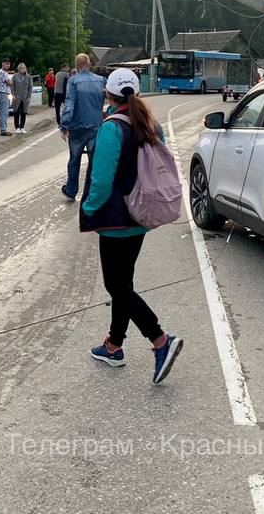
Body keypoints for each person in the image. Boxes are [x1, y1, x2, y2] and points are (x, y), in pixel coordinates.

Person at [82, 68, 183, 385]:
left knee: (118, 286)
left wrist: (88, 209)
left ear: (108, 95)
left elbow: (101, 179)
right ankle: (113, 346)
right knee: (122, 283)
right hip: (141, 216)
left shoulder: (112, 127)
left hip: (116, 219)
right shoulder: (149, 123)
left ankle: (160, 340)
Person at [59, 54, 105, 200]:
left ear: (77, 65)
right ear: (89, 64)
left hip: (77, 126)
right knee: (95, 160)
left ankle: (71, 191)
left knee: (74, 160)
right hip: (96, 125)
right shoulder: (100, 80)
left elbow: (69, 106)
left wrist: (64, 125)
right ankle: (93, 191)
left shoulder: (73, 81)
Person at [12, 63, 33, 134]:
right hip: (17, 97)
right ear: (18, 69)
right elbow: (12, 87)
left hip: (25, 98)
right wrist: (13, 95)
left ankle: (22, 127)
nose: (22, 69)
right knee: (16, 112)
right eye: (21, 68)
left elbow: (30, 88)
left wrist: (29, 97)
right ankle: (17, 127)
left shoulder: (29, 77)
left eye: (23, 68)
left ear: (26, 69)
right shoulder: (15, 76)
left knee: (24, 112)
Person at [0, 58, 13, 137]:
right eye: (6, 63)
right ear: (2, 63)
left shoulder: (3, 72)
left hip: (5, 93)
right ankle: (3, 130)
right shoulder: (3, 73)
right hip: (3, 93)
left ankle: (4, 129)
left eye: (8, 64)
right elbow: (9, 82)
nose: (8, 65)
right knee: (4, 113)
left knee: (5, 112)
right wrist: (13, 82)